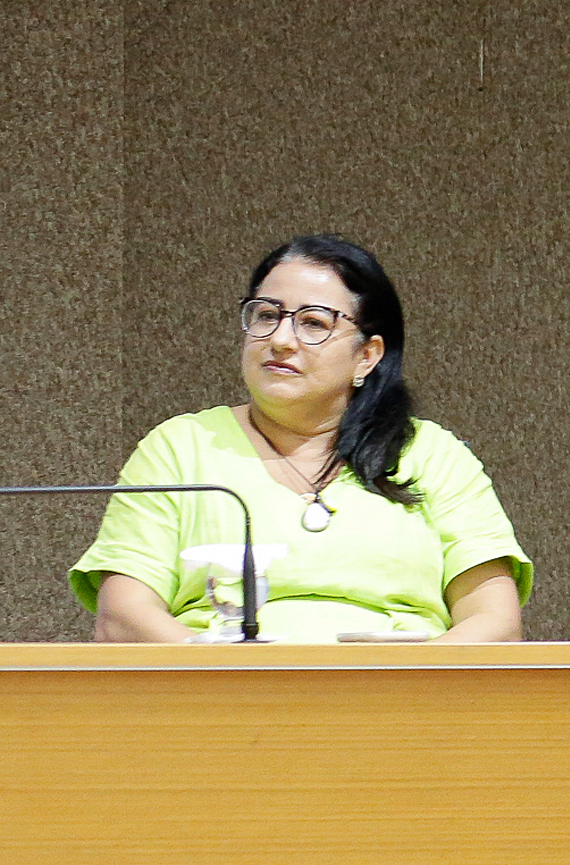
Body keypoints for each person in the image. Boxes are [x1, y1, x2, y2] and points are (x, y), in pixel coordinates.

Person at [72, 235, 530, 642]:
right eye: (266, 315)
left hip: (400, 710)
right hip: (214, 708)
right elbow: (124, 615)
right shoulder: (180, 447)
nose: (281, 340)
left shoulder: (430, 454)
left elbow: (495, 619)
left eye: (313, 323)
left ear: (367, 356)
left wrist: (406, 684)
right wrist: (221, 677)